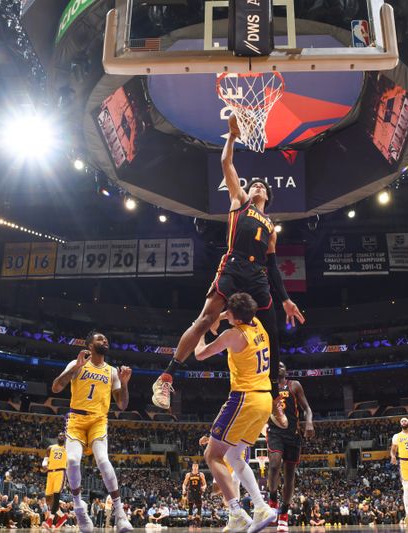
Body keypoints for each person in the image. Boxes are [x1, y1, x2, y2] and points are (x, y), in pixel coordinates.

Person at [152, 114, 305, 412]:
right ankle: (167, 377)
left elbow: (273, 267)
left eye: (262, 186)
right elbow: (227, 165)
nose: (258, 186)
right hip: (233, 265)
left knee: (271, 332)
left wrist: (285, 300)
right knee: (206, 320)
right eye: (255, 184)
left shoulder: (271, 227)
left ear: (268, 196)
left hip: (258, 276)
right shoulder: (240, 201)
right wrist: (232, 137)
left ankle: (273, 397)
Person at [195, 292, 279, 533]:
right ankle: (261, 508)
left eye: (227, 312)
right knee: (234, 457)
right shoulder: (257, 324)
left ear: (234, 316)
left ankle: (236, 511)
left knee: (212, 455)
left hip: (244, 398)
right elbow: (237, 313)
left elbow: (200, 354)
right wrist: (220, 317)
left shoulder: (233, 334)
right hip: (264, 399)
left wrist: (200, 328)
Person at [51, 331, 133, 533]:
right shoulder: (76, 363)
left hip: (98, 420)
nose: (104, 340)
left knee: (103, 461)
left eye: (105, 338)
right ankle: (80, 510)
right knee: (71, 461)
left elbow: (122, 404)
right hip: (76, 420)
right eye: (99, 338)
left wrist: (124, 383)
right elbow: (56, 387)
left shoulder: (112, 371)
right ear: (89, 345)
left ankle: (120, 515)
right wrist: (75, 369)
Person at [266, 362, 314, 533]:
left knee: (289, 476)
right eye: (276, 365)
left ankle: (284, 515)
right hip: (275, 432)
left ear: (287, 370)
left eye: (282, 365)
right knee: (273, 464)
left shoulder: (294, 385)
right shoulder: (267, 386)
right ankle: (272, 500)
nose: (279, 367)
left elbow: (307, 408)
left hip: (293, 435)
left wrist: (309, 422)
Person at [42, 432, 69, 530]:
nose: (61, 437)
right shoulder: (50, 447)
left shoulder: (67, 448)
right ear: (57, 437)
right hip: (50, 473)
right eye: (60, 435)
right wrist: (44, 464)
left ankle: (50, 520)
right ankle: (63, 517)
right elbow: (46, 458)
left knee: (56, 496)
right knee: (49, 500)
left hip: (60, 472)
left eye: (63, 436)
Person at [182, 463, 207, 527]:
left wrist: (204, 487)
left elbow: (205, 484)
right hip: (191, 491)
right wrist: (184, 489)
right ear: (192, 467)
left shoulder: (201, 474)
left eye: (196, 466)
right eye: (194, 466)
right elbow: (184, 484)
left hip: (198, 491)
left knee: (199, 506)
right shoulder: (188, 474)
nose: (195, 467)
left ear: (198, 467)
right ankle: (190, 520)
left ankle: (197, 520)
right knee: (190, 505)